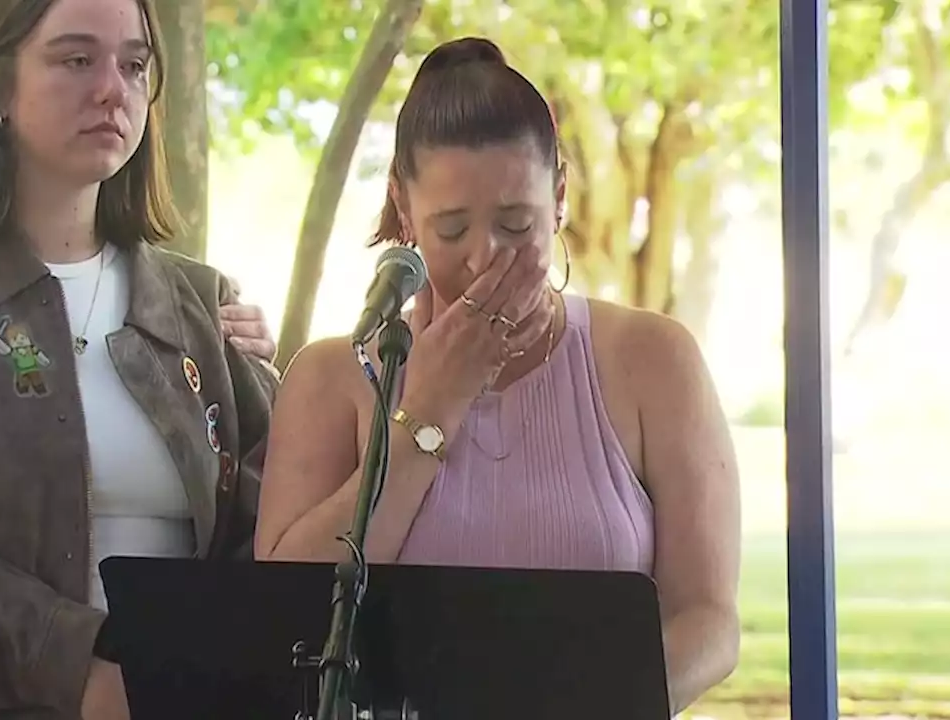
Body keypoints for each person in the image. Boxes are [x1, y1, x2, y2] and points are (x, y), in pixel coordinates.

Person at [254, 37, 741, 714]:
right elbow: (284, 615)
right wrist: (427, 412)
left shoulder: (652, 360)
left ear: (561, 193)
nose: (485, 259)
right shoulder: (331, 378)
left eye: (517, 224)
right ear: (403, 207)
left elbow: (708, 620)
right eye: (451, 230)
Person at [0, 0, 278, 717]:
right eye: (75, 59)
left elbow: (273, 526)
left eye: (133, 65)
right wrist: (83, 674)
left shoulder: (201, 305)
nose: (111, 89)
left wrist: (202, 671)